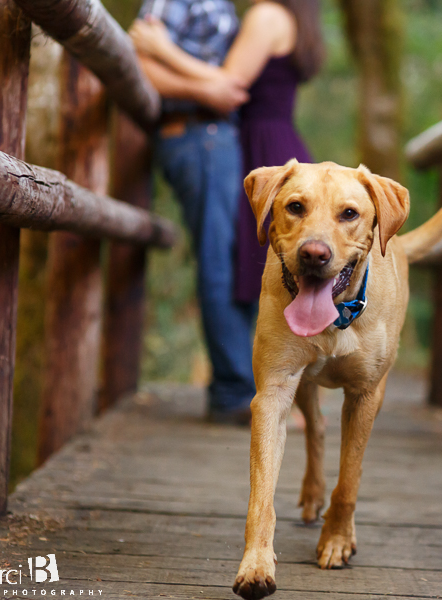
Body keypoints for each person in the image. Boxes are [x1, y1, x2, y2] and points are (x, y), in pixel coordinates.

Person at [130, 0, 324, 307]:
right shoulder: (292, 19)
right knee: (264, 272)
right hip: (276, 142)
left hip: (263, 148)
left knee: (245, 269)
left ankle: (251, 354)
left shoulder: (267, 16)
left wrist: (163, 49)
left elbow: (230, 83)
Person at [133, 0, 255, 424]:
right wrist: (208, 89)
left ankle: (239, 387)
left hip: (213, 136)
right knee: (219, 259)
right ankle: (233, 393)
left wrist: (214, 84)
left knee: (229, 258)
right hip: (197, 134)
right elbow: (138, 59)